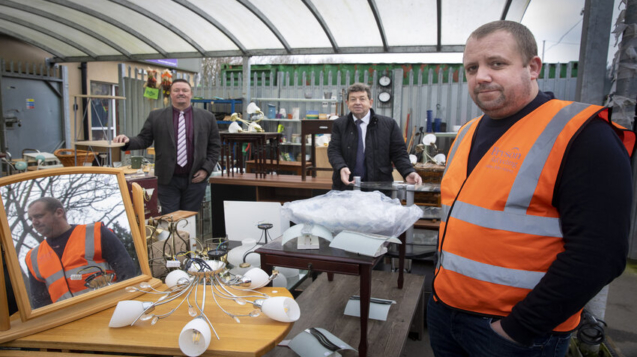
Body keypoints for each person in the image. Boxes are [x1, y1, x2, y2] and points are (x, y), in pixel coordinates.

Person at [427, 20, 635, 357]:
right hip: (446, 313)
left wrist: (517, 329)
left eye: (497, 63)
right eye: (471, 67)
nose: (481, 76)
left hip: (515, 335)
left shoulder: (583, 135)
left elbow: (600, 255)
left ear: (533, 67)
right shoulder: (466, 133)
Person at [114, 79, 221, 214]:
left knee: (188, 218)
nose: (180, 93)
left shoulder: (207, 117)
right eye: (176, 90)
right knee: (170, 219)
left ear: (191, 94)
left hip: (195, 179)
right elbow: (144, 139)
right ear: (170, 94)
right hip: (167, 180)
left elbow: (215, 146)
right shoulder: (156, 116)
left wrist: (206, 169)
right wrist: (127, 141)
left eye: (184, 90)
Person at [25, 197, 137, 309]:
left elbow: (127, 272)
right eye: (31, 219)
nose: (34, 223)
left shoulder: (95, 232)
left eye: (39, 216)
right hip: (71, 321)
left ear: (59, 213)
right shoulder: (33, 257)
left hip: (112, 307)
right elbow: (40, 302)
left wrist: (125, 305)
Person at [328, 82, 422, 190]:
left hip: (379, 187)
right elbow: (333, 150)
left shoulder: (388, 124)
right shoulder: (339, 124)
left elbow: (399, 153)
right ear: (347, 103)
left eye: (362, 99)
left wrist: (408, 172)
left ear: (370, 102)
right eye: (353, 99)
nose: (357, 102)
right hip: (346, 185)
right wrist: (341, 167)